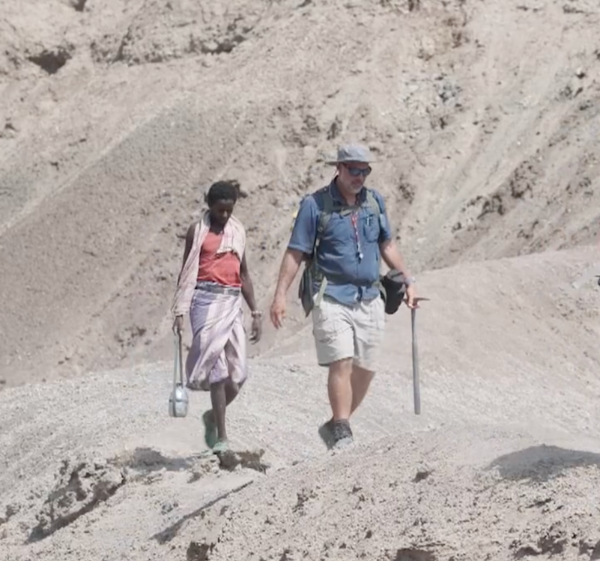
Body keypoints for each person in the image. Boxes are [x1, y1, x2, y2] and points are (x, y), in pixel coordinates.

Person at [268, 143, 419, 450]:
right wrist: (280, 295)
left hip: (369, 295)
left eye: (365, 171)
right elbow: (296, 252)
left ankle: (336, 424)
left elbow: (387, 245)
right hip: (330, 294)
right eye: (353, 170)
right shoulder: (315, 205)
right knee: (342, 360)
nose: (359, 177)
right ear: (338, 168)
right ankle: (342, 430)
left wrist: (408, 280)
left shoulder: (374, 203)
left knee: (366, 368)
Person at [171, 180, 262, 454]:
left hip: (232, 302)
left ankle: (212, 416)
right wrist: (179, 311)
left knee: (240, 374)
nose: (224, 216)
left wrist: (255, 311)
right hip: (204, 302)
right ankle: (222, 439)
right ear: (210, 206)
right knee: (218, 371)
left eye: (229, 210)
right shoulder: (197, 232)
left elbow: (243, 274)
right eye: (220, 210)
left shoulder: (238, 231)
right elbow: (187, 271)